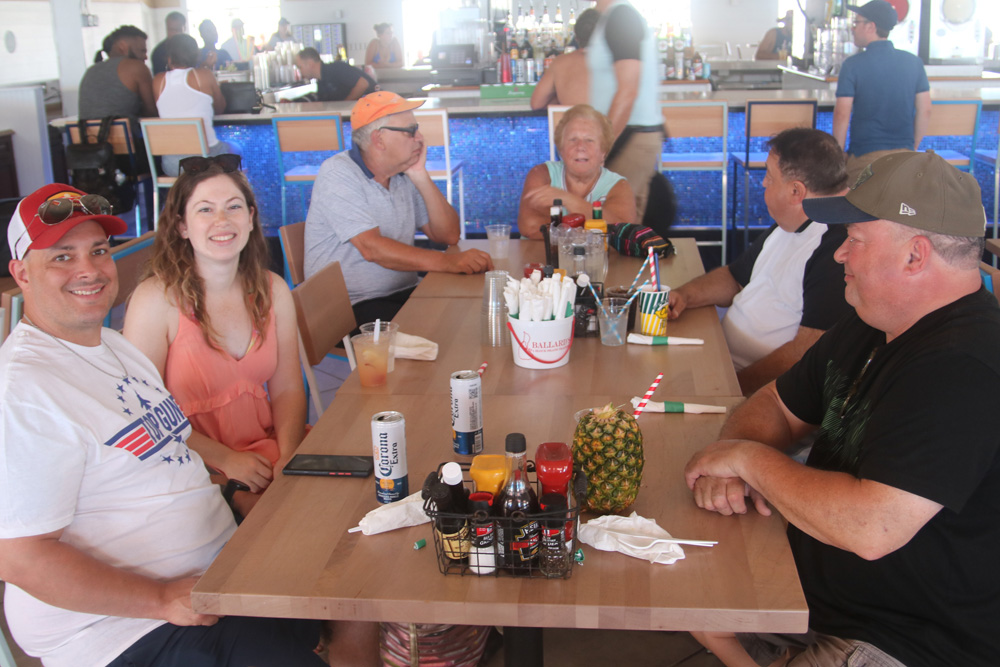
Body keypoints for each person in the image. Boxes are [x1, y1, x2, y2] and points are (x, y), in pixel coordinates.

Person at [0, 183, 373, 666]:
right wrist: (159, 599)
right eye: (62, 257)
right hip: (130, 627)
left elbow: (167, 461)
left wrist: (233, 496)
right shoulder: (25, 391)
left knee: (361, 566)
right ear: (21, 273)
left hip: (219, 567)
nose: (88, 269)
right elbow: (19, 558)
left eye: (98, 251)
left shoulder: (114, 348)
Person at [685, 150, 1000, 666]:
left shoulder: (966, 367)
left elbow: (871, 528)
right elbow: (777, 404)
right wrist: (736, 459)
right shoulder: (874, 319)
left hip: (904, 636)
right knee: (681, 590)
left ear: (915, 256)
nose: (839, 255)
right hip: (813, 583)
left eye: (854, 239)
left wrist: (746, 460)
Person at [123, 154, 303, 511]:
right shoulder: (155, 300)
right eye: (205, 210)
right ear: (182, 226)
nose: (222, 220)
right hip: (189, 469)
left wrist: (288, 457)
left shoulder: (273, 290)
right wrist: (226, 460)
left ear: (250, 218)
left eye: (233, 207)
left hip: (264, 454)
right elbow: (142, 415)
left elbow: (288, 389)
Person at [668, 128, 852, 395]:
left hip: (754, 388)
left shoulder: (838, 250)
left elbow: (807, 354)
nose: (764, 183)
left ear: (796, 191)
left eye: (769, 175)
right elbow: (734, 277)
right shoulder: (791, 223)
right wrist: (685, 296)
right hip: (722, 362)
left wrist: (730, 390)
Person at [304, 92, 492, 324]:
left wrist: (420, 175)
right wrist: (447, 261)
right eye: (411, 131)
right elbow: (372, 248)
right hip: (349, 307)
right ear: (379, 139)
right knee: (447, 328)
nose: (420, 138)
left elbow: (449, 235)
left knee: (469, 313)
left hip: (401, 294)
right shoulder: (338, 173)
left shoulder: (400, 174)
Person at [833, 0, 930, 183]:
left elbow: (841, 114)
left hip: (864, 158)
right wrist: (912, 147)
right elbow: (925, 110)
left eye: (856, 23)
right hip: (905, 159)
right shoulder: (914, 63)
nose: (853, 28)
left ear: (871, 26)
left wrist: (838, 155)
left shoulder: (852, 65)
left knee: (857, 201)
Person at [586, 0, 663, 221]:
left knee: (613, 225)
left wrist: (600, 148)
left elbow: (628, 91)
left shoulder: (621, 17)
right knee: (620, 228)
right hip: (627, 136)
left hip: (628, 139)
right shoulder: (614, 17)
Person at [517, 104, 635, 239]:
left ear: (603, 152)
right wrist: (591, 229)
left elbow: (624, 232)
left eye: (589, 140)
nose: (580, 147)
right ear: (561, 150)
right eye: (573, 139)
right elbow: (530, 227)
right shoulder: (541, 174)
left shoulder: (618, 186)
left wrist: (569, 201)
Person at [153, 35, 237, 177]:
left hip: (173, 165)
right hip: (205, 161)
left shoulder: (158, 81)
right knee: (236, 148)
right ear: (196, 55)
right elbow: (220, 108)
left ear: (169, 57)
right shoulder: (205, 75)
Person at [79, 25, 157, 121]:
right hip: (125, 130)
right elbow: (152, 113)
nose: (146, 57)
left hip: (86, 131)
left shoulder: (90, 70)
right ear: (122, 46)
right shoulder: (136, 67)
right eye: (142, 51)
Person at [530, 8, 600, 109]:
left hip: (573, 118)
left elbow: (536, 104)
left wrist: (562, 94)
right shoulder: (615, 63)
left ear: (576, 37)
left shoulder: (560, 63)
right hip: (604, 119)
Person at [294, 47, 378, 102]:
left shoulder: (336, 68)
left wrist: (344, 105)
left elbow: (363, 84)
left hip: (377, 108)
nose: (300, 72)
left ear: (310, 64)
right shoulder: (321, 82)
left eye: (300, 67)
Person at [150, 11, 186, 76]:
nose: (174, 33)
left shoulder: (191, 47)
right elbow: (159, 77)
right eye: (171, 30)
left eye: (177, 30)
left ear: (184, 28)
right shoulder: (159, 52)